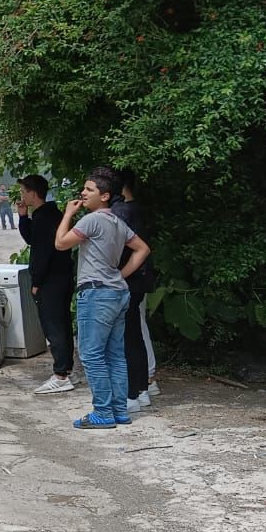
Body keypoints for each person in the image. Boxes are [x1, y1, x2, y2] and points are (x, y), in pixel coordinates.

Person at [55, 167, 151, 429]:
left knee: (92, 355)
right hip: (118, 293)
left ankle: (102, 412)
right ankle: (120, 411)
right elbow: (143, 249)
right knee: (116, 355)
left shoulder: (91, 220)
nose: (83, 193)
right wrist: (120, 275)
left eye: (89, 190)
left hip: (96, 293)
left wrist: (68, 214)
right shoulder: (118, 222)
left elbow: (61, 243)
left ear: (105, 196)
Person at [18, 175, 76, 394]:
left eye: (24, 192)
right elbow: (33, 239)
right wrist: (23, 217)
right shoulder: (50, 214)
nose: (22, 196)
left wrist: (37, 282)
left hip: (51, 280)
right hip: (62, 278)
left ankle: (61, 374)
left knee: (54, 326)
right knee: (62, 323)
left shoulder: (44, 217)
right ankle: (67, 369)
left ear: (33, 192)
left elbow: (42, 253)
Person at [111, 168, 157, 411]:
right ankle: (140, 391)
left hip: (128, 282)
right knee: (134, 335)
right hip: (139, 281)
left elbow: (137, 250)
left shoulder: (120, 214)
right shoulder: (138, 210)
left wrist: (119, 276)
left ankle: (130, 395)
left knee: (125, 338)